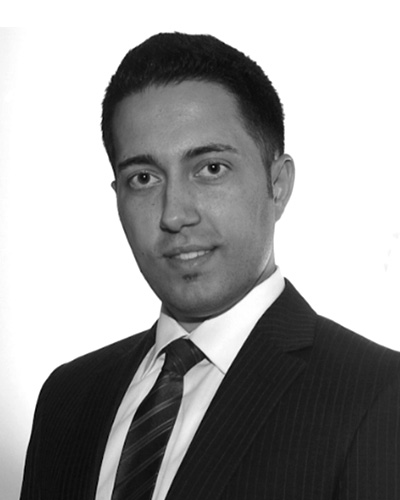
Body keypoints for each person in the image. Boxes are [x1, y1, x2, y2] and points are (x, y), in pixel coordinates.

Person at [20, 32, 400, 500]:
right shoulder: (67, 398)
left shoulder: (379, 395)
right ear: (117, 197)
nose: (174, 214)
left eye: (211, 168)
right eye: (143, 178)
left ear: (278, 185)